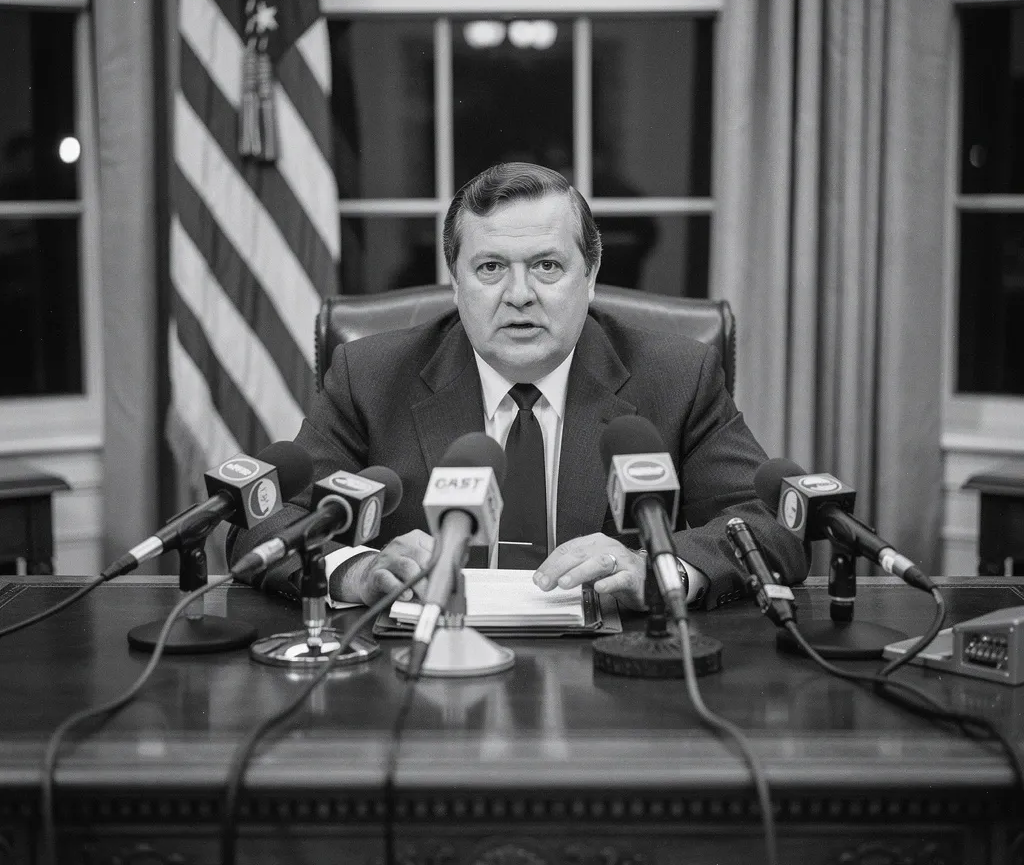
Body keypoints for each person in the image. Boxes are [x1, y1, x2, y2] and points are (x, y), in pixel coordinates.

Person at [227, 163, 808, 611]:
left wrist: (658, 568)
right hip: (423, 678)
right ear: (455, 283)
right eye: (490, 268)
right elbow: (265, 521)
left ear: (591, 277)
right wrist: (354, 570)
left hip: (607, 690)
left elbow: (770, 523)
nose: (520, 294)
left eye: (547, 266)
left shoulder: (676, 377)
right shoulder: (371, 377)